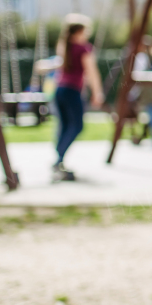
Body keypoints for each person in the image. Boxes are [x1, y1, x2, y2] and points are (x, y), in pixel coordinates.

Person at [52, 13, 104, 181]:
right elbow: (92, 72)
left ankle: (58, 160)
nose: (87, 34)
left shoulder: (64, 47)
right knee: (77, 126)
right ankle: (58, 159)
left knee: (65, 125)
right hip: (72, 91)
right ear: (78, 32)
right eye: (86, 31)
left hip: (59, 91)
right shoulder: (83, 48)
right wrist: (97, 92)